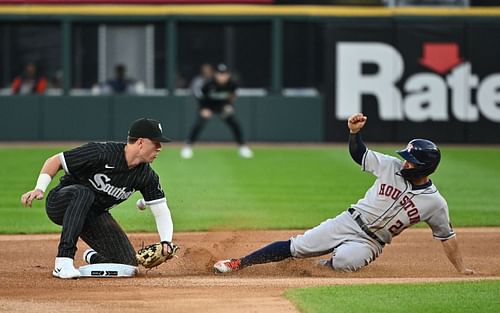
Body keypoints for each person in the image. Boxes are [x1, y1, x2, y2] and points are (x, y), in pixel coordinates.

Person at [213, 113, 474, 275]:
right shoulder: (389, 166)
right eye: (406, 159)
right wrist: (354, 134)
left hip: (371, 243)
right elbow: (359, 154)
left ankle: (314, 270)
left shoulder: (435, 203)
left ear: (426, 167)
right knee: (299, 246)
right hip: (349, 221)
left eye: (411, 161)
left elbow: (447, 237)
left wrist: (461, 269)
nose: (405, 163)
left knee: (345, 262)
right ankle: (240, 263)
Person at [20, 118, 176, 279]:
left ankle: (92, 256)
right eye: (156, 143)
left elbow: (161, 211)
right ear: (141, 142)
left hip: (93, 216)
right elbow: (56, 160)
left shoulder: (146, 176)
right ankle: (63, 262)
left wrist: (166, 242)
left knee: (128, 264)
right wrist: (39, 188)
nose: (160, 148)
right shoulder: (102, 152)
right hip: (62, 203)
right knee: (84, 193)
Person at [181, 63, 253, 159]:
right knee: (199, 124)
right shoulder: (209, 83)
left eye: (224, 74)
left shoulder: (232, 84)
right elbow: (201, 96)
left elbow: (233, 95)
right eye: (220, 74)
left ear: (228, 75)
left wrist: (229, 105)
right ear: (216, 74)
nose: (222, 76)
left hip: (222, 106)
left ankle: (242, 147)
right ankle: (188, 147)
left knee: (234, 124)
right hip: (208, 106)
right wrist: (204, 109)